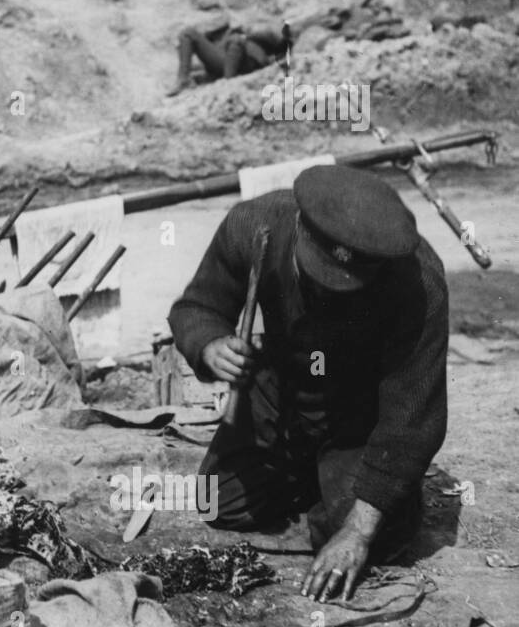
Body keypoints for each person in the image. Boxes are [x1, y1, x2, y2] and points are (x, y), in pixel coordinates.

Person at [168, 166, 447, 601]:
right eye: (318, 279)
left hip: (359, 414)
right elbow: (196, 306)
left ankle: (340, 482)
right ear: (299, 227)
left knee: (375, 539)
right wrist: (209, 345)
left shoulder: (419, 285)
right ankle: (312, 474)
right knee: (217, 503)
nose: (328, 297)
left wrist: (357, 529)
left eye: (345, 290)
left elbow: (412, 418)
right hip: (278, 387)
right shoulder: (254, 225)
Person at [166, 20, 291, 96]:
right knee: (188, 42)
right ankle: (188, 77)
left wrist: (227, 83)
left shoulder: (257, 46)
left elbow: (272, 37)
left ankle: (185, 80)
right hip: (228, 60)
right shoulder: (250, 42)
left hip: (233, 63)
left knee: (188, 33)